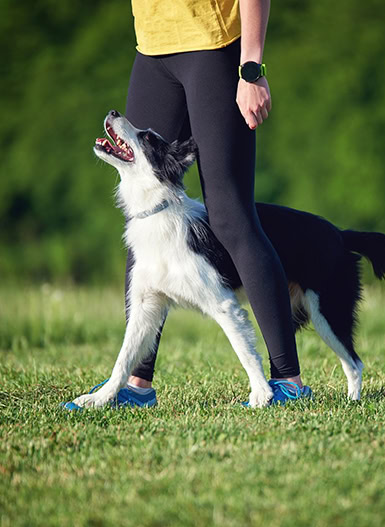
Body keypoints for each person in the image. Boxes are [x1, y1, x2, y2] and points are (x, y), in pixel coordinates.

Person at [114, 0, 311, 406]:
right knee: (145, 217)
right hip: (151, 48)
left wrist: (251, 68)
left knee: (230, 216)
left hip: (213, 46)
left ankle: (288, 382)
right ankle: (135, 386)